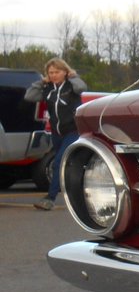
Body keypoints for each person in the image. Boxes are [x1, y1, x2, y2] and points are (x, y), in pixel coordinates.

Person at [24, 58, 87, 211]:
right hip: (56, 133)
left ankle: (50, 198)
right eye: (50, 72)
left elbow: (82, 88)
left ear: (64, 72)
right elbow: (29, 96)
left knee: (59, 162)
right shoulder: (48, 88)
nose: (53, 75)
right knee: (66, 164)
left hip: (72, 130)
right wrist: (41, 82)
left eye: (57, 72)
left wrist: (73, 76)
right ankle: (79, 192)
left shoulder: (71, 86)